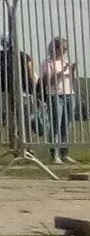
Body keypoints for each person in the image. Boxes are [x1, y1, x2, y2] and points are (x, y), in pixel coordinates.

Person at [42, 36, 77, 169]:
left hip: (69, 94)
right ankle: (54, 153)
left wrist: (72, 71)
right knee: (56, 124)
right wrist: (61, 72)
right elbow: (47, 82)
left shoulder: (65, 62)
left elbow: (71, 81)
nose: (62, 51)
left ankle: (64, 153)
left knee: (66, 125)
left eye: (64, 48)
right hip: (55, 94)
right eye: (61, 48)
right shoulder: (48, 63)